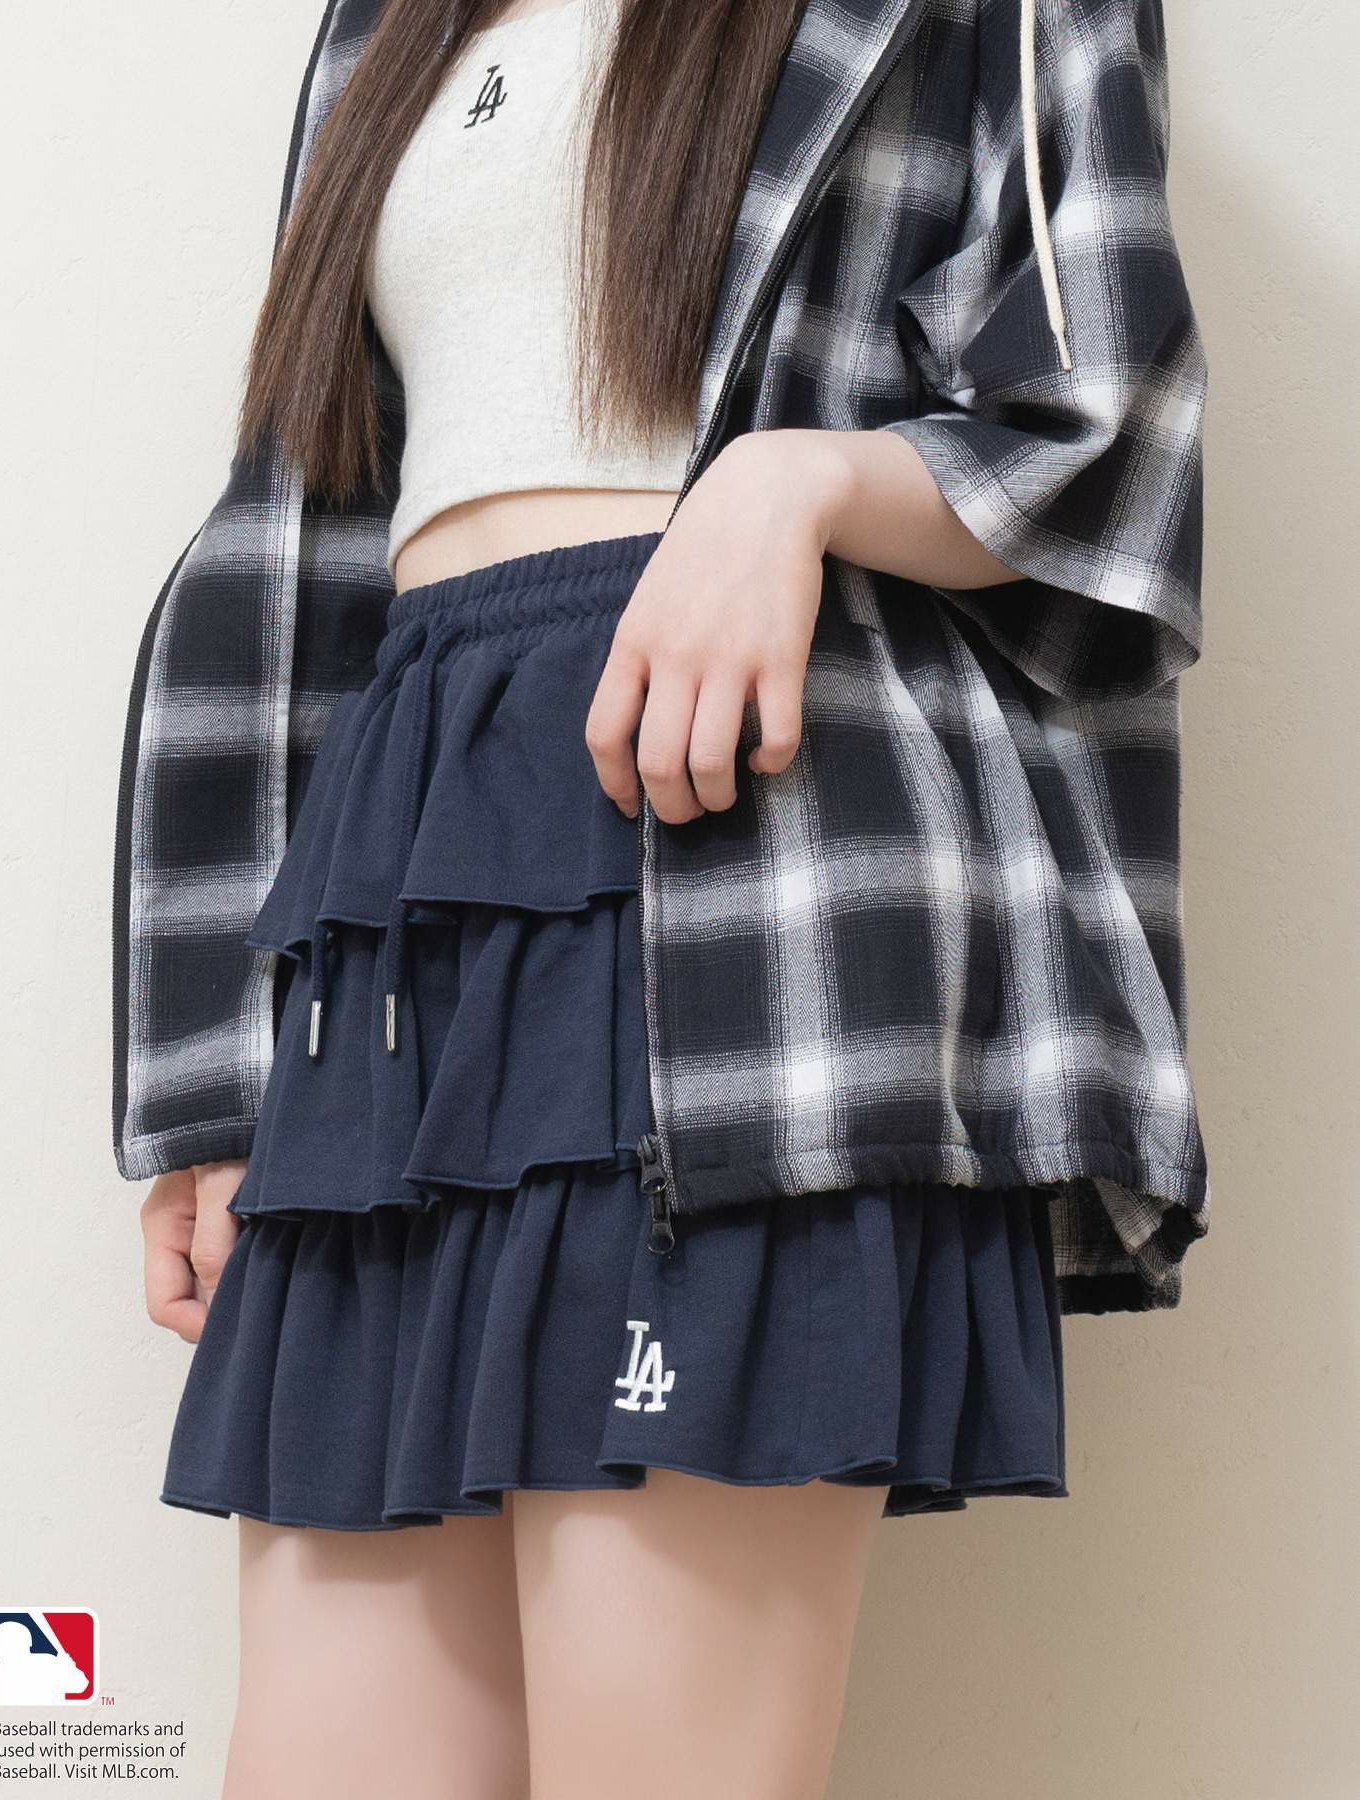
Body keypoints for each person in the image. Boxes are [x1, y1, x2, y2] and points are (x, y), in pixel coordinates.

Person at [115, 0, 1212, 1792]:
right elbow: (303, 526)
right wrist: (222, 1084)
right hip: (404, 896)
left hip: (752, 896)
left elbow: (1108, 424)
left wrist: (798, 482)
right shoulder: (387, 26)